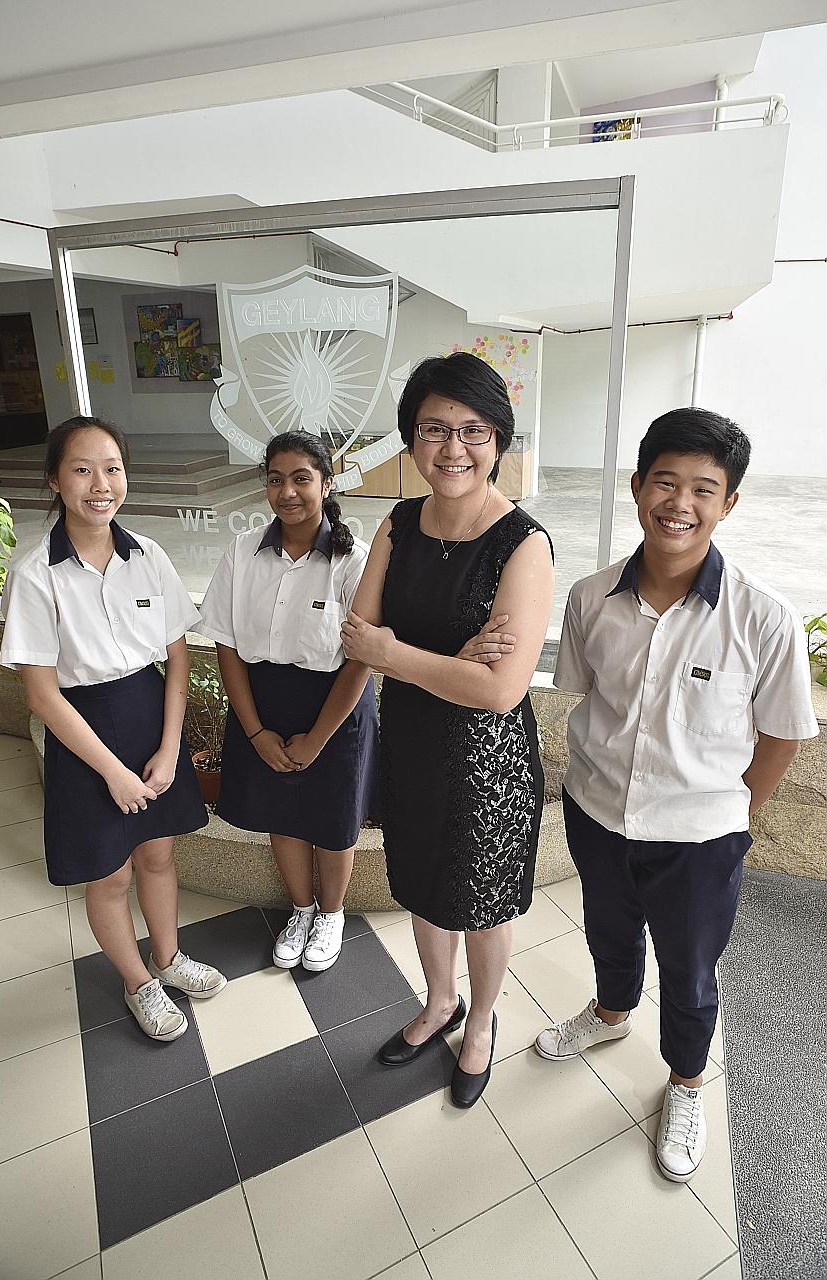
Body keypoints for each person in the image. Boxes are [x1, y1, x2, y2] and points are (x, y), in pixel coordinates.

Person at [534, 407, 818, 1181]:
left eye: (703, 487)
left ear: (728, 503)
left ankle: (687, 1082)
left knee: (691, 972)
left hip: (700, 838)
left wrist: (735, 816)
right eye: (664, 481)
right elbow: (584, 698)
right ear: (636, 487)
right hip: (597, 817)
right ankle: (610, 1013)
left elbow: (783, 734)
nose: (679, 503)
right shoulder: (592, 599)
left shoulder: (763, 618)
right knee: (607, 932)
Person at [341, 352, 554, 1108]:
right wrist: (443, 661)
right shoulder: (396, 523)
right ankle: (438, 1003)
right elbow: (353, 635)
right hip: (412, 746)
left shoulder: (522, 545)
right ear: (410, 439)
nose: (453, 448)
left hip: (484, 765)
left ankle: (482, 1021)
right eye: (434, 429)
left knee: (481, 903)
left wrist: (399, 655)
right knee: (424, 892)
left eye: (473, 430)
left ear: (499, 440)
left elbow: (497, 692)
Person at [0, 416, 226, 1043]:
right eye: (82, 469)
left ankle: (168, 957)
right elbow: (43, 695)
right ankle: (138, 983)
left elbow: (177, 656)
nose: (101, 484)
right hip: (84, 736)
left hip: (152, 722)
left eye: (113, 468)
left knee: (158, 853)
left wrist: (171, 745)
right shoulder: (35, 574)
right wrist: (114, 772)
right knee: (110, 873)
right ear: (54, 479)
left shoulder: (146, 555)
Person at [198, 430, 378, 973]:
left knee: (332, 815)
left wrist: (318, 737)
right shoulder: (243, 551)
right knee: (283, 810)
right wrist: (254, 730)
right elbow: (225, 641)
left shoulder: (354, 559)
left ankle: (331, 913)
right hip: (263, 700)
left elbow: (361, 658)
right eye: (275, 480)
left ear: (326, 482)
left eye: (302, 478)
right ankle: (300, 910)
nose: (288, 492)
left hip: (336, 705)